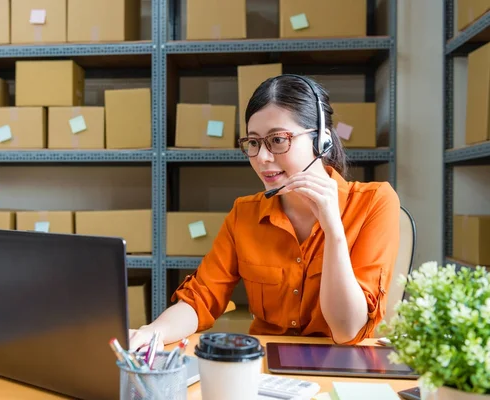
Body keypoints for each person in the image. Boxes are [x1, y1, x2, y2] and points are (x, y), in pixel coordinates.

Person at [129, 74, 400, 352]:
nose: (262, 157)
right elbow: (202, 298)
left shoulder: (375, 202)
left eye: (278, 140)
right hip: (266, 367)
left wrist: (333, 230)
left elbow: (347, 330)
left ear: (323, 141)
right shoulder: (244, 213)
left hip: (343, 366)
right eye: (254, 142)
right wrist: (154, 331)